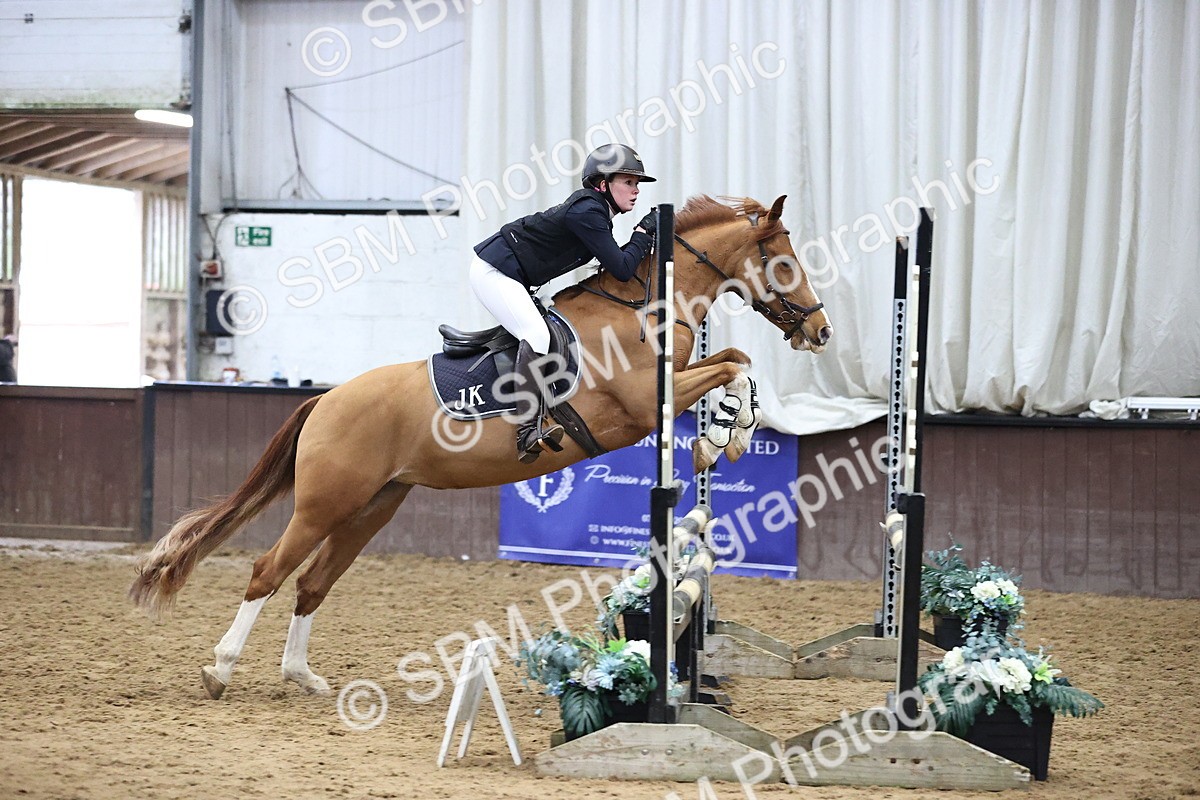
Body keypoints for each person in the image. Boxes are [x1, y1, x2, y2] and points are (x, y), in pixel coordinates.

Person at [471, 143, 658, 463]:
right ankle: (526, 430)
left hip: (515, 276)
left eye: (637, 184)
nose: (636, 190)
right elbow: (623, 269)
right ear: (602, 184)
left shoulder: (596, 212)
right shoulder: (588, 212)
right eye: (628, 182)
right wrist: (642, 233)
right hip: (494, 271)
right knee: (538, 335)